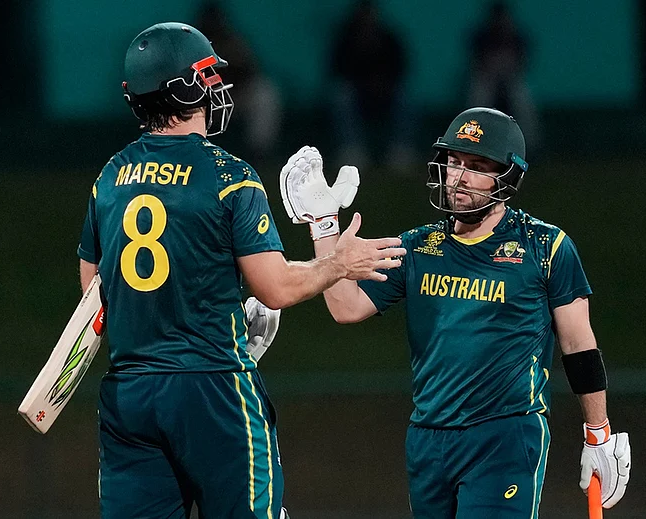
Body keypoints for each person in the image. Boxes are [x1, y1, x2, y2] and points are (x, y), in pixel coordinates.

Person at [77, 22, 405, 519]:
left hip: (129, 394)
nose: (216, 85)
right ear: (184, 88)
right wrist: (337, 262)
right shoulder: (230, 176)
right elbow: (275, 289)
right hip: (213, 389)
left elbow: (95, 293)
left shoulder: (109, 178)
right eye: (206, 75)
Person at [279, 107, 631, 518]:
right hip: (428, 440)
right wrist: (325, 226)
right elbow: (346, 307)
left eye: (476, 167)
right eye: (453, 161)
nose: (458, 177)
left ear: (507, 177)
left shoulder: (544, 246)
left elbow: (578, 344)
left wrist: (598, 434)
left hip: (505, 436)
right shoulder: (417, 247)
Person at [329, 0, 414, 170]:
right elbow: (337, 71)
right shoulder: (346, 40)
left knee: (406, 98)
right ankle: (352, 150)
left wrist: (383, 85)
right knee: (342, 98)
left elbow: (401, 68)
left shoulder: (388, 38)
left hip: (387, 92)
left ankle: (400, 150)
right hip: (357, 94)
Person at [194, 1, 284, 159]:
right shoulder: (191, 45)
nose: (213, 26)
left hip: (234, 94)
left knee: (264, 95)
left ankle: (258, 153)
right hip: (201, 99)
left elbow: (251, 71)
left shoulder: (232, 41)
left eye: (216, 22)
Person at [467, 1, 540, 155]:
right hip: (487, 79)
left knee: (522, 101)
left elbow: (523, 64)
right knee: (478, 101)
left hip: (511, 80)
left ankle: (530, 148)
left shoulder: (517, 36)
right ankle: (471, 144)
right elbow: (475, 64)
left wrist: (505, 69)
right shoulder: (481, 36)